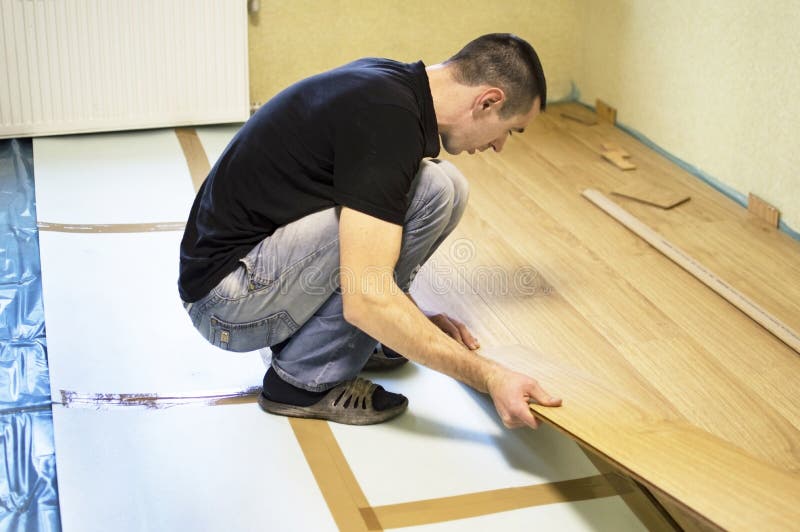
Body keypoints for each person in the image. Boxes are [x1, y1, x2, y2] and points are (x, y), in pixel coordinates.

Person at [179, 33, 562, 428]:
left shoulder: (392, 86)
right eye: (510, 130)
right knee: (429, 192)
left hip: (245, 272)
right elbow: (365, 296)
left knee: (444, 186)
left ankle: (344, 338)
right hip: (226, 304)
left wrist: (412, 318)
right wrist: (490, 376)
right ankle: (303, 382)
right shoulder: (388, 121)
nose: (499, 146)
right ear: (488, 101)